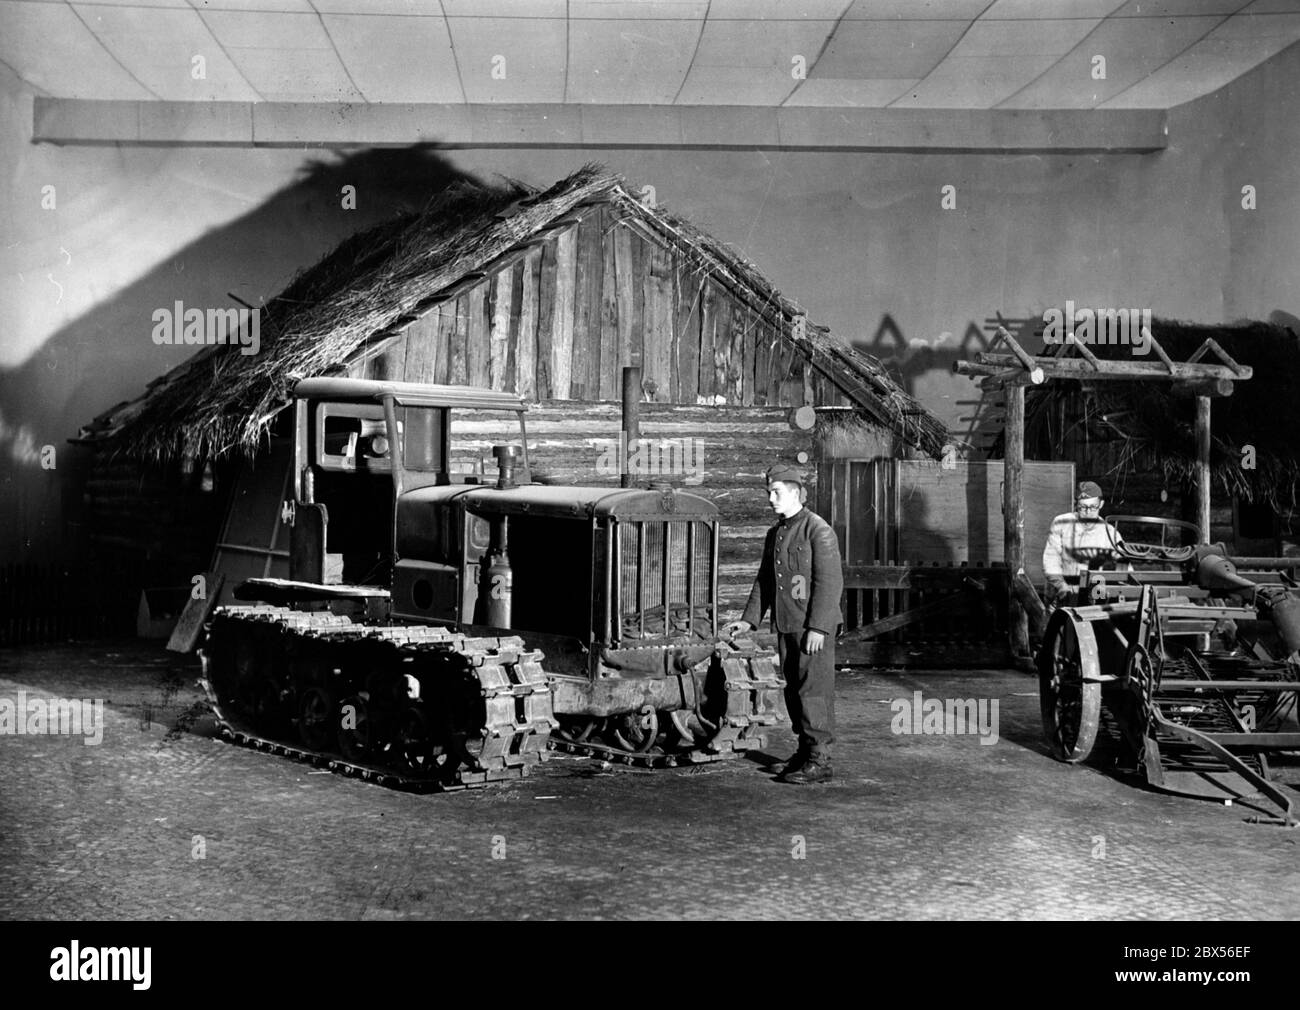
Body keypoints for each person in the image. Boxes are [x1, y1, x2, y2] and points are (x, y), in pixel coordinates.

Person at [724, 464, 843, 784]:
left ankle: (820, 760)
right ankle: (804, 753)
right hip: (788, 623)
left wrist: (819, 627)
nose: (771, 498)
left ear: (795, 493)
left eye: (776, 492)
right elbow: (765, 579)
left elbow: (829, 583)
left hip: (811, 627)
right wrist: (749, 620)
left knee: (813, 691)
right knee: (794, 691)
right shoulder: (776, 533)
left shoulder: (817, 529)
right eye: (768, 492)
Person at [1042, 480, 1124, 608]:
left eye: (1092, 507)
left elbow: (1124, 566)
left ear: (1101, 504)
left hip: (1091, 599)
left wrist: (1112, 589)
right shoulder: (1061, 523)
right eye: (1082, 507)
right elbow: (1051, 559)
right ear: (1076, 505)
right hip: (1060, 595)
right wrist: (1060, 585)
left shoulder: (1110, 533)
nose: (1087, 512)